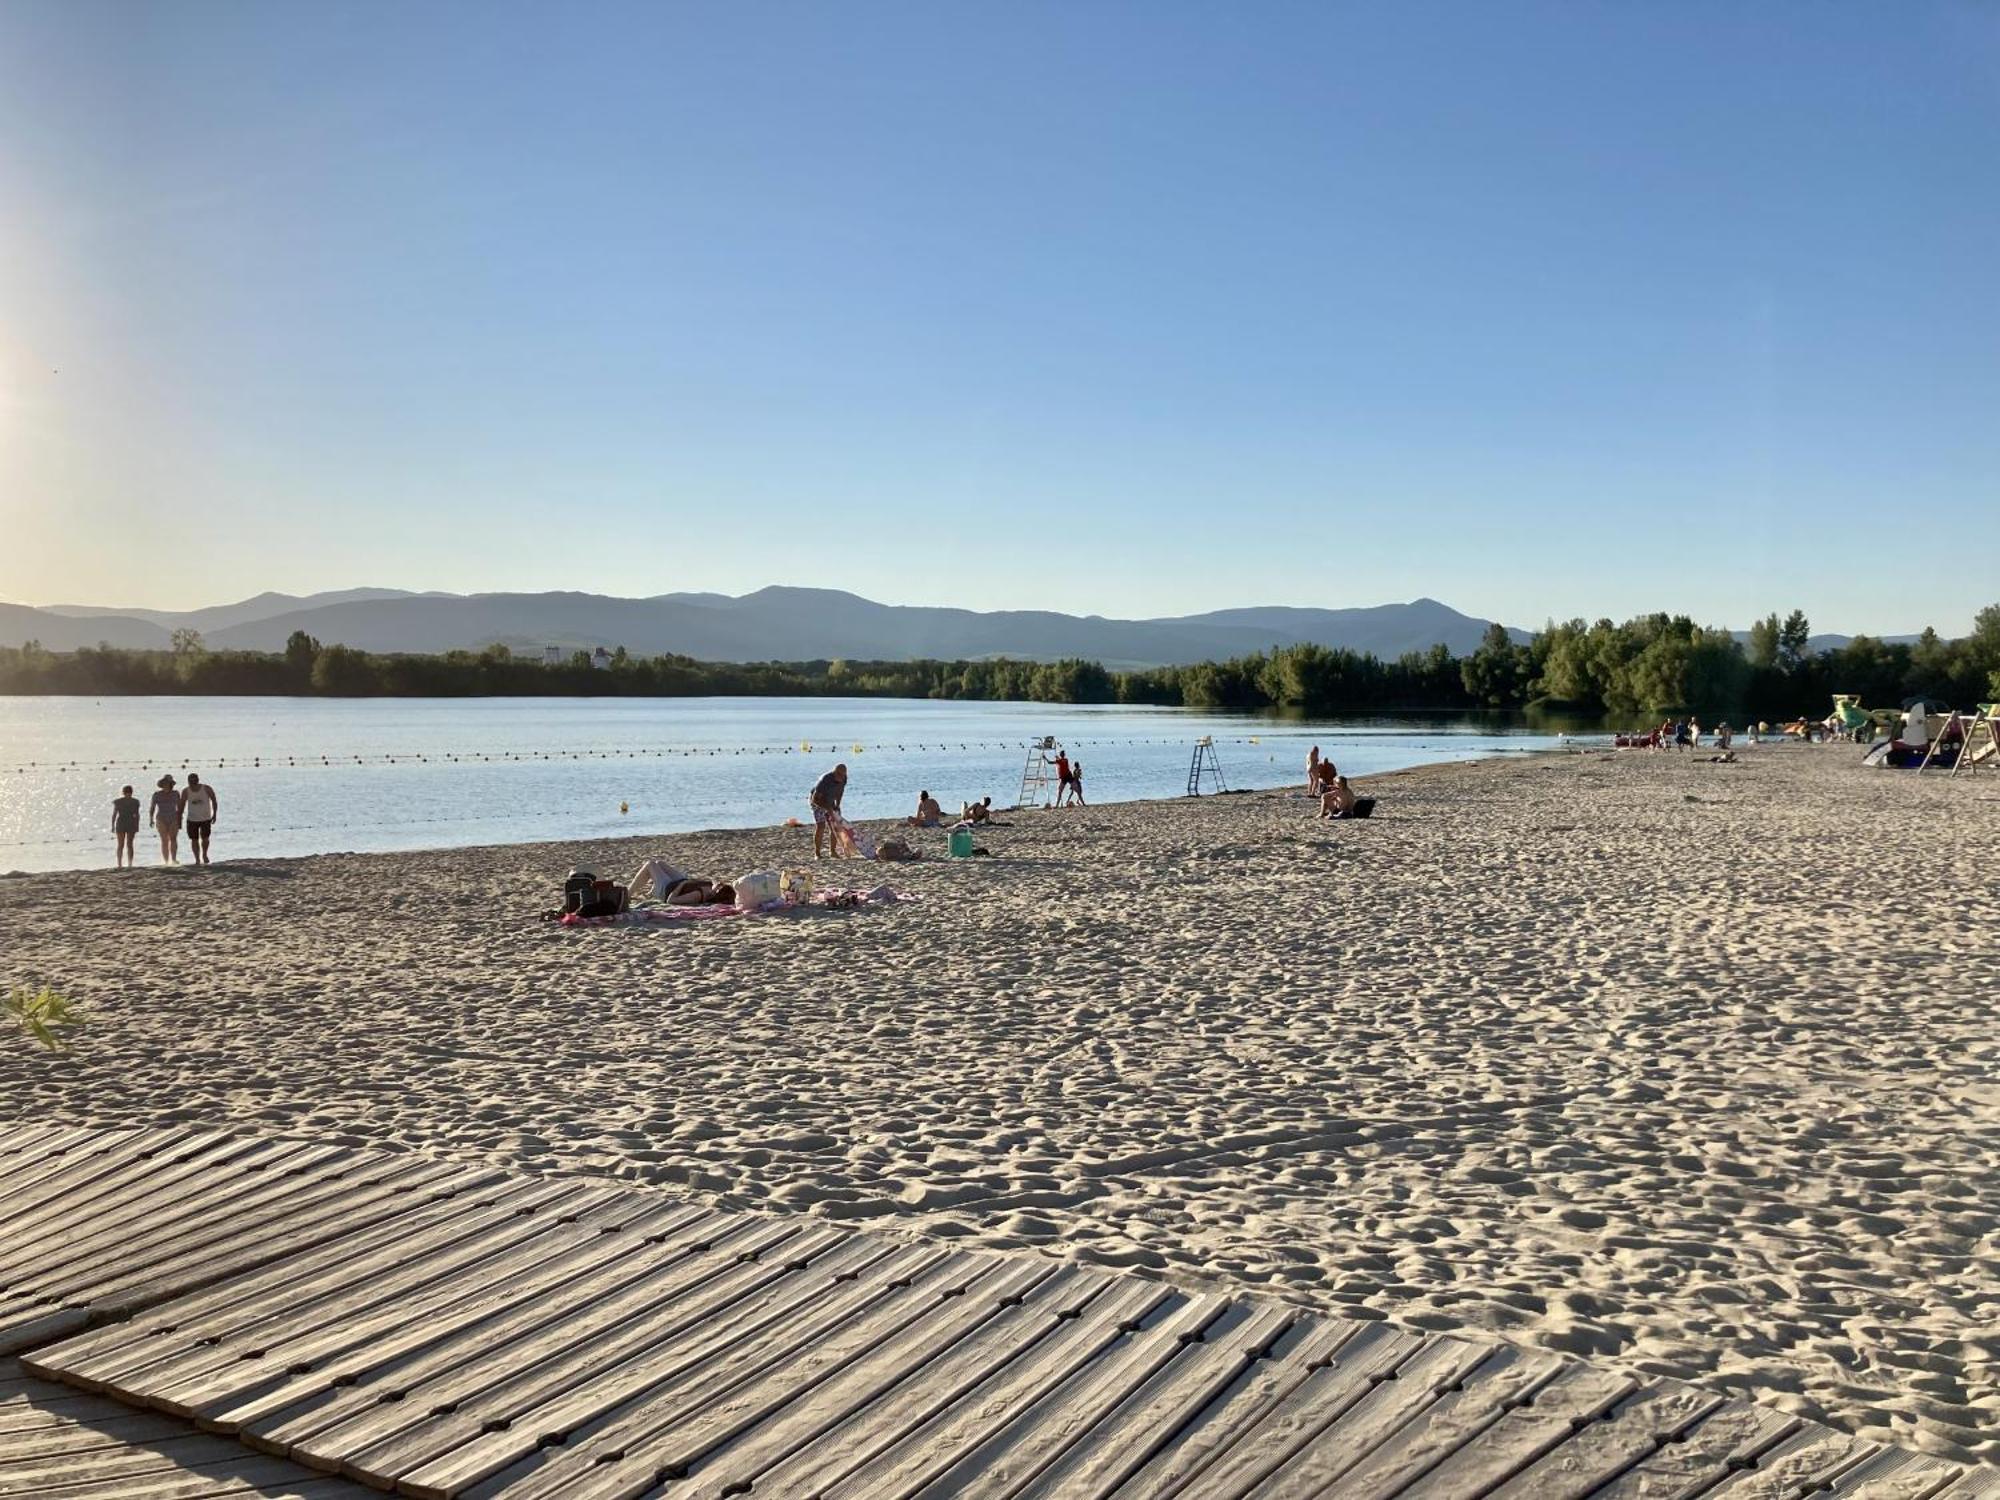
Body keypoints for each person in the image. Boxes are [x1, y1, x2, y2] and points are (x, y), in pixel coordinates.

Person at [810, 762, 848, 859]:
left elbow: (840, 791)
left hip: (830, 802)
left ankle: (833, 851)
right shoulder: (825, 780)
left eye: (843, 775)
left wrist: (837, 805)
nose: (841, 777)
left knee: (835, 827)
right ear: (834, 772)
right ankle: (817, 853)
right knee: (821, 826)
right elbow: (815, 799)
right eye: (839, 775)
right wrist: (828, 809)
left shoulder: (844, 778)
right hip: (818, 802)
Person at [182, 773, 218, 865]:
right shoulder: (186, 791)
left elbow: (214, 800)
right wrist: (179, 818)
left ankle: (205, 854)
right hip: (192, 819)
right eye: (190, 781)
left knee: (205, 838)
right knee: (194, 839)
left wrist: (214, 814)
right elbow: (181, 804)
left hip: (205, 818)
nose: (192, 783)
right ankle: (197, 858)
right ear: (188, 781)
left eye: (194, 780)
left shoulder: (206, 788)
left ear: (198, 780)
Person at [148, 775, 183, 865]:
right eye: (164, 782)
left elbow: (179, 807)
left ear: (171, 784)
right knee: (164, 840)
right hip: (161, 818)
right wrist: (151, 819)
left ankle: (174, 859)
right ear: (162, 784)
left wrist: (180, 819)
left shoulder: (176, 793)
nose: (166, 784)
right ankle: (166, 861)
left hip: (173, 817)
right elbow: (152, 807)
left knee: (173, 839)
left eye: (168, 782)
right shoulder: (157, 794)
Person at [112, 785, 140, 868]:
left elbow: (137, 814)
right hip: (124, 822)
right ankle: (121, 863)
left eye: (129, 792)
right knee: (123, 844)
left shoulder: (134, 802)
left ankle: (127, 864)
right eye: (127, 792)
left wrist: (136, 824)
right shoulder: (134, 801)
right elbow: (114, 814)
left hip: (126, 822)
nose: (128, 794)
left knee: (127, 844)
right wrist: (113, 825)